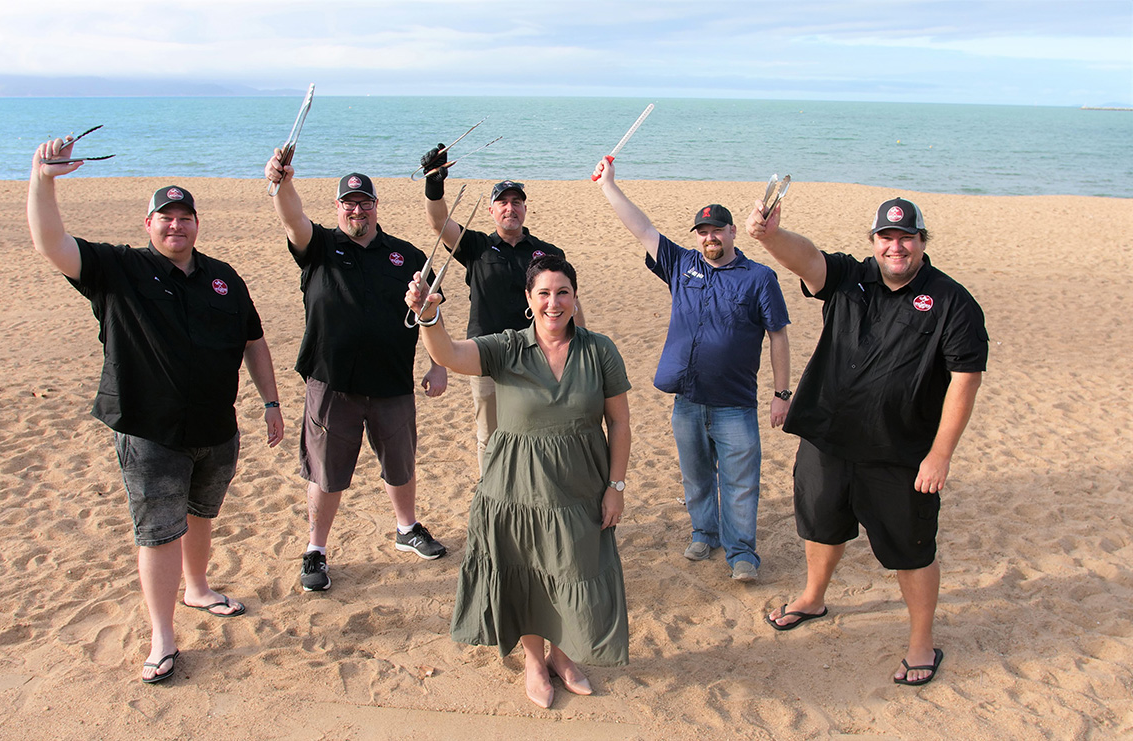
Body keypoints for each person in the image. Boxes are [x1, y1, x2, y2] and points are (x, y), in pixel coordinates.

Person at [28, 139, 285, 684]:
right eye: (165, 218)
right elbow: (52, 243)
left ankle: (197, 589)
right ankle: (162, 637)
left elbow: (254, 341)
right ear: (148, 224)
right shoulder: (118, 269)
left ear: (197, 224)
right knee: (158, 531)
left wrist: (270, 402)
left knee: (200, 515)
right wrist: (43, 179)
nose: (176, 226)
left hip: (216, 429)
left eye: (185, 218)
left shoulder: (224, 277)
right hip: (149, 431)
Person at [745, 196, 988, 686]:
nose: (895, 247)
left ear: (922, 241)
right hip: (828, 438)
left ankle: (922, 641)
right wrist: (771, 236)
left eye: (905, 238)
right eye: (886, 238)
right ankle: (813, 597)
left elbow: (966, 379)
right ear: (874, 242)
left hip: (900, 453)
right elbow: (807, 259)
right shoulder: (850, 277)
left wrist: (940, 454)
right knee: (820, 525)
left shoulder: (952, 302)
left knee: (911, 549)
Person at [405, 254, 631, 709]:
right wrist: (428, 314)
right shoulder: (507, 347)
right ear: (529, 299)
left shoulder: (599, 349)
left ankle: (564, 658)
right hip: (514, 492)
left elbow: (620, 424)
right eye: (544, 293)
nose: (554, 302)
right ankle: (533, 661)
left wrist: (616, 487)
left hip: (580, 489)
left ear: (574, 297)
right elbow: (447, 354)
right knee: (525, 573)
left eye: (562, 292)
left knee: (574, 570)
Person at [593, 157, 791, 582]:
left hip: (736, 405)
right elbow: (642, 228)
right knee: (697, 477)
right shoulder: (683, 265)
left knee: (740, 484)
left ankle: (742, 554)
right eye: (702, 232)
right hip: (687, 401)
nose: (709, 237)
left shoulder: (759, 278)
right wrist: (609, 185)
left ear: (733, 231)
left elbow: (778, 335)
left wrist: (781, 394)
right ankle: (705, 532)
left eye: (717, 230)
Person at [265, 150, 449, 593]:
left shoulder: (406, 256)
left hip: (391, 382)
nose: (357, 209)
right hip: (333, 383)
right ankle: (317, 549)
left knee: (401, 465)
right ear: (338, 208)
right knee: (326, 472)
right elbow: (292, 218)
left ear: (376, 206)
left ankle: (407, 528)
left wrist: (437, 364)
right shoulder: (319, 247)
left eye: (364, 202)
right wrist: (283, 182)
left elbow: (431, 311)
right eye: (349, 202)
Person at [421, 145, 585, 475]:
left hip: (537, 356)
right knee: (491, 436)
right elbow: (439, 221)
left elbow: (569, 301)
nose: (510, 208)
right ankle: (493, 495)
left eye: (516, 202)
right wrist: (434, 184)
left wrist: (579, 345)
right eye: (502, 203)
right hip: (486, 356)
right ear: (493, 211)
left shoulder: (547, 252)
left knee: (537, 432)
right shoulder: (477, 247)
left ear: (524, 209)